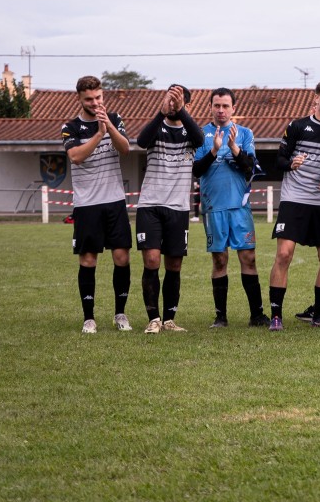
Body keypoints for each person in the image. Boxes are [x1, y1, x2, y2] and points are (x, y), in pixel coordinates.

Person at [267, 79, 320, 331]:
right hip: (294, 200)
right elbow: (277, 160)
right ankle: (276, 315)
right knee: (284, 254)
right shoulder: (298, 126)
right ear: (316, 98)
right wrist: (291, 164)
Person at [193, 88, 270, 328]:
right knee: (219, 260)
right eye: (217, 105)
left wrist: (234, 148)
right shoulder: (200, 134)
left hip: (239, 207)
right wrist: (215, 150)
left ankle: (256, 315)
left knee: (248, 257)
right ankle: (221, 317)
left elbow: (250, 167)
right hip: (213, 207)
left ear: (233, 108)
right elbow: (196, 170)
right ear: (210, 107)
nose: (221, 110)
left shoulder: (245, 133)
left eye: (226, 106)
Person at [62, 75, 133, 334]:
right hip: (87, 204)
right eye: (89, 99)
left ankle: (120, 314)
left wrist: (108, 128)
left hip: (114, 201)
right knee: (88, 260)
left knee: (122, 257)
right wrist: (98, 134)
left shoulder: (114, 119)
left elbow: (125, 149)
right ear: (79, 99)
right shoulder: (70, 127)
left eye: (98, 98)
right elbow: (76, 157)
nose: (95, 103)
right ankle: (89, 318)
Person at [135, 85, 205, 334]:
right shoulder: (157, 127)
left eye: (179, 101)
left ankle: (169, 319)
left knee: (174, 264)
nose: (174, 105)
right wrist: (161, 111)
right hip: (150, 205)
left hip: (178, 207)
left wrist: (181, 110)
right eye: (170, 99)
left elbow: (200, 139)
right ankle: (153, 318)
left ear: (187, 104)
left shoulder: (190, 132)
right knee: (152, 260)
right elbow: (141, 141)